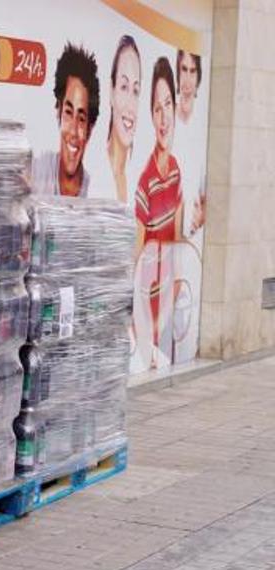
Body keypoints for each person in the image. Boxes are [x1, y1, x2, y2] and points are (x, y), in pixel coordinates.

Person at [134, 57, 184, 370]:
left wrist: (175, 300)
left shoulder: (176, 171)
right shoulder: (145, 182)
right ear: (151, 116)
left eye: (168, 105)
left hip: (169, 311)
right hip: (146, 318)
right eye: (156, 108)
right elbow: (136, 261)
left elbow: (176, 245)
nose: (163, 117)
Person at [31, 43, 100, 197]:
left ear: (90, 128)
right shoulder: (38, 174)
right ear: (58, 111)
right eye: (68, 112)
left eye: (81, 118)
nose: (74, 132)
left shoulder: (94, 192)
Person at [102, 36, 140, 203]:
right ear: (111, 91)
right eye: (124, 87)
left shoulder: (139, 173)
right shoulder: (92, 169)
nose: (130, 104)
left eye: (136, 90)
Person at [176, 49, 206, 238]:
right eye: (183, 69)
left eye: (192, 71)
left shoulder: (203, 127)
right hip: (166, 231)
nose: (187, 79)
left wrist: (202, 215)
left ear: (198, 77)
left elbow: (209, 193)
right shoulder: (166, 122)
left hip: (193, 237)